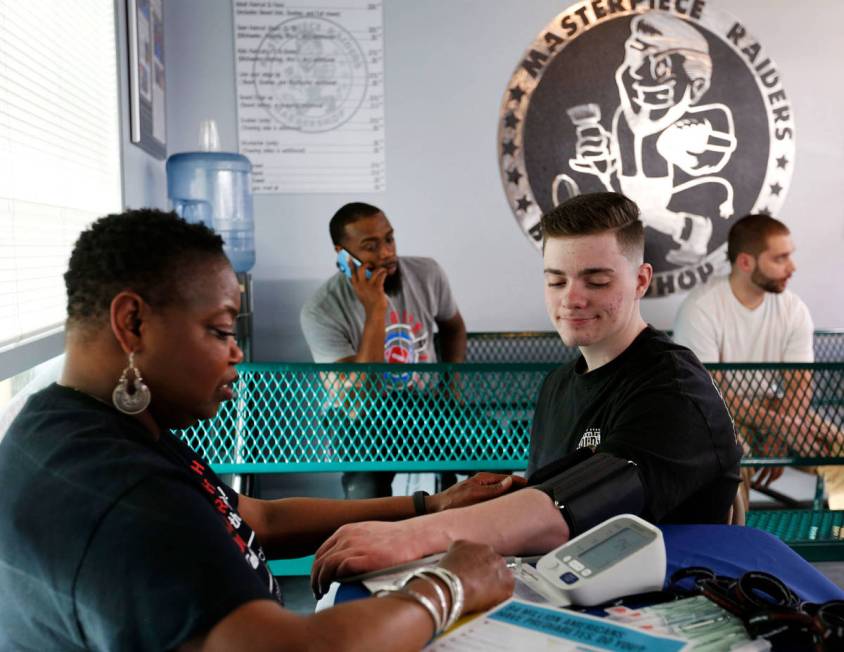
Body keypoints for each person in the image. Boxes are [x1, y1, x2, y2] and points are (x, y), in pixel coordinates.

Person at [0, 209, 519, 651]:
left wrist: (431, 506)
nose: (236, 351)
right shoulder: (119, 494)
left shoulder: (84, 423)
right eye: (221, 330)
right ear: (133, 323)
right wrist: (450, 585)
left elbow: (253, 517)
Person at [310, 192, 742, 595]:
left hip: (674, 601)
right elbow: (550, 497)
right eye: (556, 281)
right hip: (579, 595)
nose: (571, 299)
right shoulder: (558, 385)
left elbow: (574, 507)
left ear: (640, 280)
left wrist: (413, 534)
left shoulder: (673, 386)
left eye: (596, 281)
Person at [673, 214, 842, 508]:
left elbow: (799, 385)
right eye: (780, 258)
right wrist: (780, 427)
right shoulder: (701, 308)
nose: (792, 267)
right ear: (746, 262)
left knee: (838, 447)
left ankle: (840, 531)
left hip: (775, 411)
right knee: (734, 460)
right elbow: (714, 397)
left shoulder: (793, 308)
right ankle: (739, 543)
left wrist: (781, 430)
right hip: (720, 419)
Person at [300, 202, 467, 499]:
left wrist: (451, 388)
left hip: (425, 407)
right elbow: (358, 388)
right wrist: (376, 309)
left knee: (492, 464)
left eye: (389, 239)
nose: (387, 253)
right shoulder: (321, 310)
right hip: (358, 417)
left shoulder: (427, 274)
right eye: (371, 246)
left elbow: (453, 327)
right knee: (366, 487)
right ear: (341, 253)